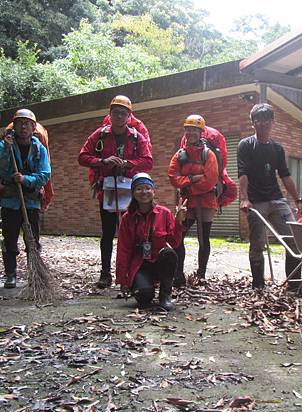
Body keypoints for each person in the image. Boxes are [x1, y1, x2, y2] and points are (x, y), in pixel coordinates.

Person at [78, 95, 153, 289]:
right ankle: (105, 273)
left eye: (123, 113)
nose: (119, 117)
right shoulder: (100, 135)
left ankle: (134, 272)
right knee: (108, 232)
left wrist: (128, 164)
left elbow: (148, 161)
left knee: (133, 232)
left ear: (129, 116)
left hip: (131, 190)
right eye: (116, 113)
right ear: (110, 114)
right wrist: (103, 162)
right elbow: (83, 156)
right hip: (108, 190)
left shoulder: (137, 137)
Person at [237, 103, 302, 291]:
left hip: (277, 200)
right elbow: (243, 174)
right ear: (253, 123)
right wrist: (244, 198)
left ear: (272, 122)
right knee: (257, 243)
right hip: (255, 202)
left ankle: (295, 285)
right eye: (258, 120)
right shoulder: (246, 145)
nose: (263, 123)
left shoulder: (277, 149)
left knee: (294, 240)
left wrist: (298, 199)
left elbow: (285, 175)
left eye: (267, 120)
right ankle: (258, 285)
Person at [0, 109, 51, 288]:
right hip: (11, 200)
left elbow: (45, 175)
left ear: (33, 127)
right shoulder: (5, 145)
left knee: (33, 240)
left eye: (27, 124)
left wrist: (25, 179)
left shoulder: (39, 148)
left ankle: (35, 274)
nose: (24, 127)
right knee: (9, 238)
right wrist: (6, 152)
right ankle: (11, 274)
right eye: (20, 123)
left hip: (31, 200)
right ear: (14, 126)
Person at [116, 173, 187, 311]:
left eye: (147, 188)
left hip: (159, 262)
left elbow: (174, 242)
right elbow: (123, 250)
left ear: (153, 191)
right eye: (139, 189)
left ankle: (165, 296)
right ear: (133, 192)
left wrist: (179, 222)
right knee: (144, 297)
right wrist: (122, 280)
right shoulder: (127, 218)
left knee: (168, 254)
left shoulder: (164, 214)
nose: (144, 192)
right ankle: (144, 288)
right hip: (140, 265)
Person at [168, 114, 219, 287]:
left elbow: (210, 179)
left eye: (195, 130)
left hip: (206, 202)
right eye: (188, 129)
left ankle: (201, 274)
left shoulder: (208, 154)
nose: (191, 133)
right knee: (178, 236)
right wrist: (191, 180)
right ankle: (178, 273)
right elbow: (173, 176)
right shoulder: (180, 154)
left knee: (203, 238)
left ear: (201, 132)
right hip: (187, 202)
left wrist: (189, 184)